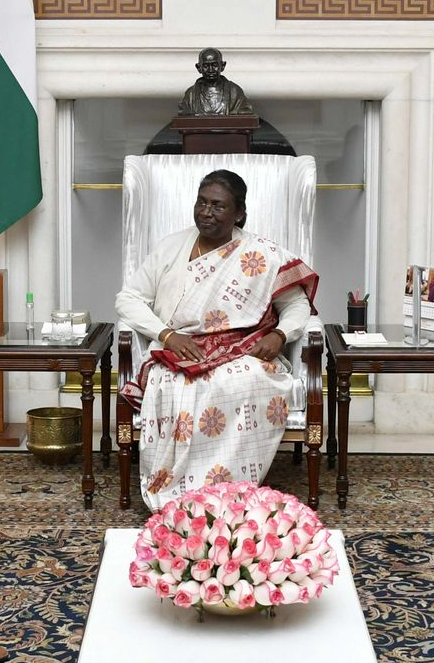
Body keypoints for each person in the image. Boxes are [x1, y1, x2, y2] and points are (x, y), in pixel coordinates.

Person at [116, 169, 318, 510]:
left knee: (245, 379)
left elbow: (297, 305)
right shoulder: (171, 247)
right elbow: (128, 299)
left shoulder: (261, 255)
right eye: (202, 202)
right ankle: (179, 493)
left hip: (242, 349)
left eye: (218, 206)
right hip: (178, 347)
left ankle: (227, 493)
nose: (206, 212)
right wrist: (167, 335)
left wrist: (280, 334)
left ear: (238, 213)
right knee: (179, 386)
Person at [176, 48, 254, 116]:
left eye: (215, 65)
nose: (211, 70)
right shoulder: (190, 94)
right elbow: (184, 113)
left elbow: (245, 113)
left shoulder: (234, 92)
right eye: (206, 66)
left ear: (222, 66)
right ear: (199, 68)